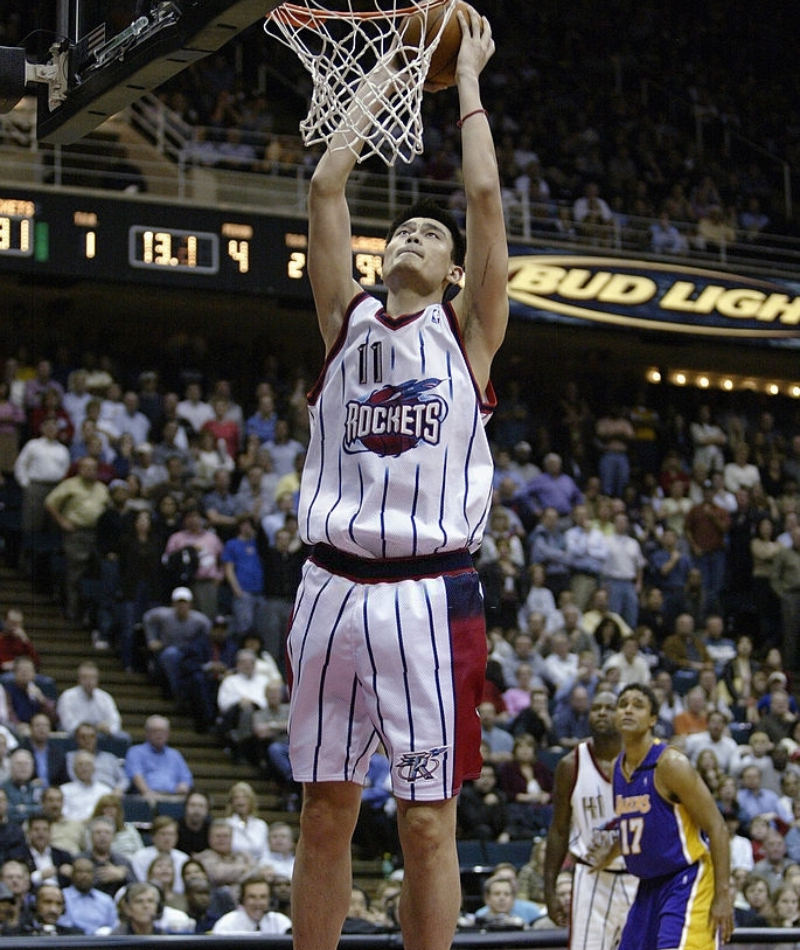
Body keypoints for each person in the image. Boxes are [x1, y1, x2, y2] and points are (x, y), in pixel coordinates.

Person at [287, 12, 508, 950]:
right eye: (404, 228)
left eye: (431, 232)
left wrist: (464, 79)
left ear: (456, 270)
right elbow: (328, 182)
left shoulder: (470, 333)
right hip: (331, 583)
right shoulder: (345, 320)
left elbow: (487, 197)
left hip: (429, 594)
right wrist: (389, 65)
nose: (414, 234)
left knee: (427, 823)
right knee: (325, 812)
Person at [594, 683, 733, 950]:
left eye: (638, 705)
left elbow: (717, 827)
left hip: (686, 878)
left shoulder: (670, 764)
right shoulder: (616, 768)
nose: (628, 710)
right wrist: (605, 855)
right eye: (622, 704)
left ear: (653, 719)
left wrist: (722, 895)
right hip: (648, 886)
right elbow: (638, 827)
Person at [544, 690, 637, 948]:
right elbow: (559, 829)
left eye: (609, 708)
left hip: (638, 875)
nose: (602, 713)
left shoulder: (643, 759)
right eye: (596, 708)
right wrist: (549, 890)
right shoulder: (570, 765)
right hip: (590, 876)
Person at [43, 455, 110, 623]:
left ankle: (90, 615)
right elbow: (50, 502)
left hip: (96, 535)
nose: (90, 471)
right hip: (75, 533)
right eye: (86, 468)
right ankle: (72, 612)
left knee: (96, 573)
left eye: (93, 468)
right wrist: (62, 521)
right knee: (74, 573)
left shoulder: (102, 488)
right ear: (80, 469)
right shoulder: (70, 484)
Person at [124, 715, 193, 805]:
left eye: (163, 731)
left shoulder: (175, 755)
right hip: (147, 796)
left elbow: (186, 777)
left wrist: (184, 785)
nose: (159, 734)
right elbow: (136, 775)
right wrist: (147, 792)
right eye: (155, 731)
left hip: (174, 796)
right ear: (147, 733)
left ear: (168, 733)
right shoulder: (136, 752)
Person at [55, 660, 125, 737]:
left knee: (123, 736)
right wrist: (91, 729)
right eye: (85, 677)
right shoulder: (68, 696)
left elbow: (115, 721)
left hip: (100, 736)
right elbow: (67, 724)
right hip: (75, 737)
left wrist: (109, 729)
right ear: (79, 679)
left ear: (97, 679)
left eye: (92, 678)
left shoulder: (105, 698)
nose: (89, 681)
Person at [211, 872, 292, 934]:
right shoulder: (227, 924)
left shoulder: (281, 922)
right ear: (242, 899)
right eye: (252, 897)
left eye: (263, 897)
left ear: (270, 900)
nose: (258, 903)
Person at [60, 855, 119, 935]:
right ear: (72, 874)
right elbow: (62, 924)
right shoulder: (62, 896)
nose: (84, 876)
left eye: (88, 872)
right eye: (80, 872)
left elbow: (114, 926)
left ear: (94, 875)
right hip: (72, 941)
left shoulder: (106, 900)